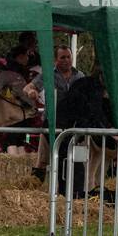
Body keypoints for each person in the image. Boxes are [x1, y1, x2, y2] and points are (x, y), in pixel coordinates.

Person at [29, 45, 86, 179]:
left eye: (68, 57)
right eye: (62, 57)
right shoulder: (48, 75)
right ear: (55, 60)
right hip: (52, 121)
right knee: (42, 159)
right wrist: (32, 91)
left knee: (75, 158)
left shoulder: (80, 75)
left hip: (74, 123)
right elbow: (29, 87)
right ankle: (35, 189)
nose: (66, 60)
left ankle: (75, 188)